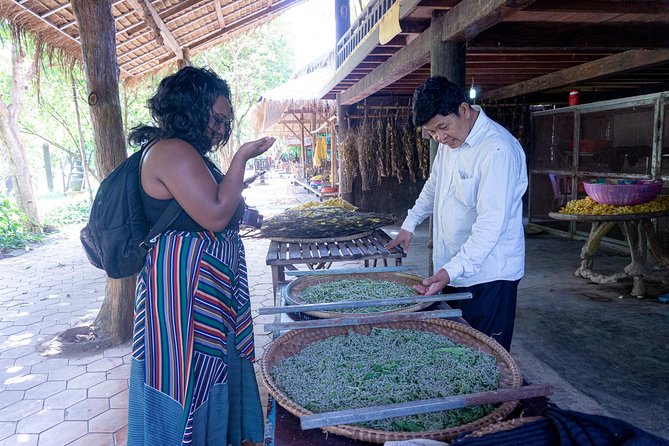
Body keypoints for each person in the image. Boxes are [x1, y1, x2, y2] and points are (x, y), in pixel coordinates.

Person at [126, 66, 275, 445]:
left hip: (199, 290)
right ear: (191, 109)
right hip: (183, 293)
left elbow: (213, 205)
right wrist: (241, 157)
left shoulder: (184, 151)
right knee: (187, 371)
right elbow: (215, 213)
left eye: (226, 121)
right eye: (217, 119)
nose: (222, 129)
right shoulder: (171, 151)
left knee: (207, 367)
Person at [385, 76, 527, 351]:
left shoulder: (497, 150)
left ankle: (496, 396)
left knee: (487, 355)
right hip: (452, 269)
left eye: (442, 126)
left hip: (489, 276)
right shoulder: (450, 144)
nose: (440, 137)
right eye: (432, 132)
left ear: (464, 109)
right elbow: (433, 186)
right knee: (457, 349)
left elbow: (491, 225)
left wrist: (451, 270)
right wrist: (409, 224)